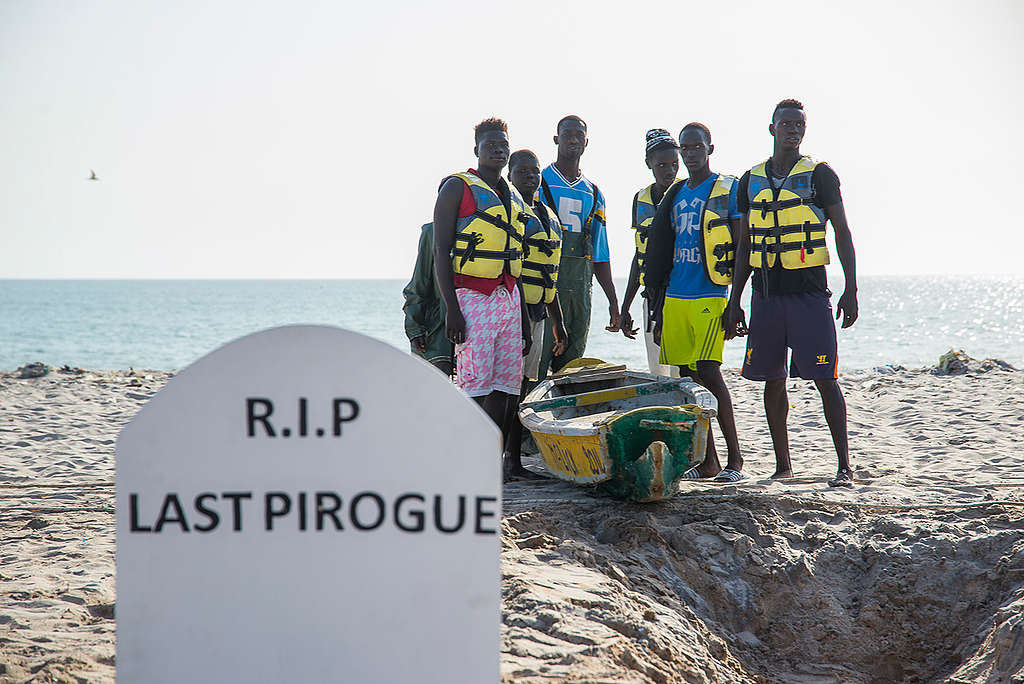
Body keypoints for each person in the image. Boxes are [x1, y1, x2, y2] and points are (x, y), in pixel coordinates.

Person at [723, 99, 859, 487]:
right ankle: (783, 465)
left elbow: (842, 232)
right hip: (766, 294)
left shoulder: (820, 175)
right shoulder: (750, 180)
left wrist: (851, 288)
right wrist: (735, 301)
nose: (793, 129)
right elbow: (746, 245)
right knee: (772, 379)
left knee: (825, 378)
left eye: (799, 124)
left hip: (810, 293)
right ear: (772, 129)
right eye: (786, 124)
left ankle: (844, 466)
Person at [644, 122, 744, 481]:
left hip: (711, 294)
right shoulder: (675, 194)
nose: (690, 153)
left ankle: (735, 460)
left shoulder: (726, 189)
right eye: (685, 148)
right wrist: (656, 306)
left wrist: (735, 302)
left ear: (710, 149)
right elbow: (660, 254)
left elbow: (741, 242)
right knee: (688, 381)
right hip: (676, 296)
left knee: (710, 373)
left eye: (696, 147)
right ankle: (708, 461)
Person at [433, 118, 532, 440]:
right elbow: (440, 250)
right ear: (476, 149)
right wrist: (452, 308)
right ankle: (463, 456)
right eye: (491, 145)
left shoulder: (514, 195)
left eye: (503, 145)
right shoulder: (456, 187)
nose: (498, 150)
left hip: (509, 298)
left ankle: (493, 457)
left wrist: (525, 321)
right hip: (472, 297)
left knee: (506, 385)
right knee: (473, 385)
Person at [535, 115, 619, 378]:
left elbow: (600, 252)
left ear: (586, 142)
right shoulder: (538, 182)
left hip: (580, 290)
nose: (573, 139)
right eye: (567, 134)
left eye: (578, 135)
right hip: (544, 288)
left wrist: (613, 303)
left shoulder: (594, 193)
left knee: (570, 370)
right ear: (556, 139)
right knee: (534, 367)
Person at [502, 149, 568, 480]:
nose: (530, 175)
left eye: (535, 171)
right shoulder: (511, 213)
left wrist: (559, 321)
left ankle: (514, 461)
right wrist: (523, 322)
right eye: (523, 171)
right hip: (514, 312)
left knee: (526, 385)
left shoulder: (545, 214)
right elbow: (510, 272)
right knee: (507, 388)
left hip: (539, 311)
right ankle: (503, 460)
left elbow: (548, 274)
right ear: (510, 175)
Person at [618, 129, 681, 377]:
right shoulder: (641, 199)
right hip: (651, 295)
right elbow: (639, 253)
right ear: (649, 164)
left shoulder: (685, 193)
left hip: (680, 293)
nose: (669, 171)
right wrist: (625, 307)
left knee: (681, 370)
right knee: (657, 370)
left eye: (674, 164)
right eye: (662, 165)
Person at [402, 222, 454, 376]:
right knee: (438, 379)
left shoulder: (486, 225)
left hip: (479, 319)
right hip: (438, 326)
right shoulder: (432, 231)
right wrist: (414, 328)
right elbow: (420, 281)